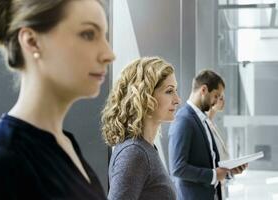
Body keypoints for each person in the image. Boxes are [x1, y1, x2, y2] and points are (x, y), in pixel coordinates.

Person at [0, 0, 115, 199]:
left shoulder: (66, 144)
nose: (109, 54)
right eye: (88, 34)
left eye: (105, 36)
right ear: (32, 41)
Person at [102, 57, 180, 200]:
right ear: (145, 96)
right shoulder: (134, 153)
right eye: (169, 91)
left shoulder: (146, 148)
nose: (177, 100)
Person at [168, 70, 247, 200]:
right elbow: (178, 168)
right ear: (204, 89)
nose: (216, 102)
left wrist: (229, 171)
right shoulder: (184, 120)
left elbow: (209, 162)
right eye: (216, 96)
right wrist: (214, 175)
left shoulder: (202, 119)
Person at [205, 94, 230, 199]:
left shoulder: (213, 124)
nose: (223, 101)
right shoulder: (204, 125)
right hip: (213, 183)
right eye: (220, 98)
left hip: (222, 182)